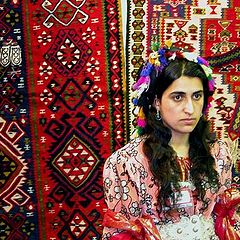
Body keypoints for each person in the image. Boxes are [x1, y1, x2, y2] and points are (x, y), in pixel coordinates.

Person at [102, 41, 240, 240]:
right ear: (157, 101)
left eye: (197, 96)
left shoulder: (219, 153)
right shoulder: (126, 163)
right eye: (178, 97)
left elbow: (226, 220)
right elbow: (122, 232)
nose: (190, 109)